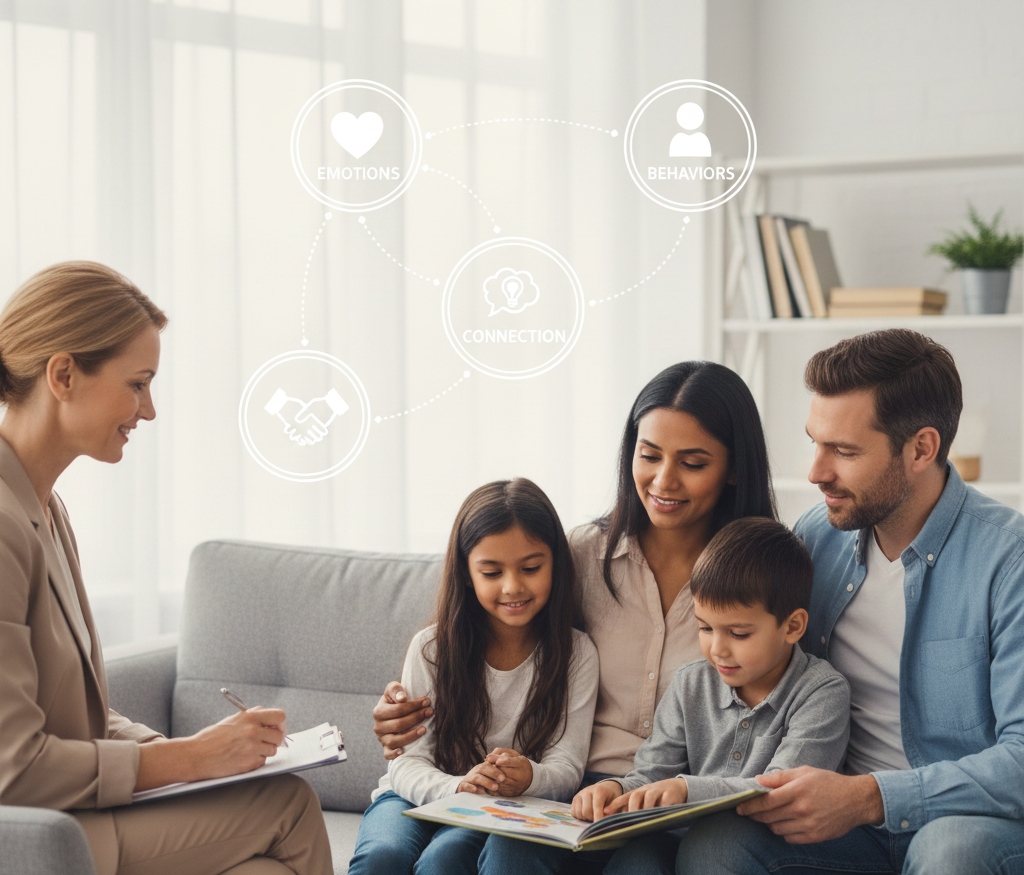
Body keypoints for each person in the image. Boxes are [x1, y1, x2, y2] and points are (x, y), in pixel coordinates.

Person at [372, 361, 776, 872]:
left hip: (680, 803)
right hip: (572, 794)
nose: (663, 480)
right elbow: (485, 629)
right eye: (648, 455)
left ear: (734, 468)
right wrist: (405, 708)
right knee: (501, 857)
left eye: (693, 463)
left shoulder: (762, 577)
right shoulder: (584, 555)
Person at [0, 261, 332, 875]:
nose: (148, 410)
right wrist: (191, 762)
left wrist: (201, 752)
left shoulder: (44, 507)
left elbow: (81, 717)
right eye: (138, 383)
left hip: (80, 813)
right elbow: (15, 766)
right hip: (48, 832)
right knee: (285, 804)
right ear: (64, 374)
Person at [675, 328, 1024, 874]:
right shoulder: (816, 538)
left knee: (950, 852)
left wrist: (870, 796)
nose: (816, 473)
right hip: (842, 827)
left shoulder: (1009, 560)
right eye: (816, 442)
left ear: (921, 448)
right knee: (717, 845)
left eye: (843, 451)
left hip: (967, 821)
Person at [346, 478, 600, 875]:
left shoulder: (577, 653)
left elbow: (568, 766)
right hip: (413, 795)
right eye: (492, 572)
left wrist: (529, 775)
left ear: (556, 564)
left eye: (531, 568)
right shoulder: (432, 648)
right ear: (467, 573)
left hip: (503, 807)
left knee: (443, 861)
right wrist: (458, 786)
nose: (513, 586)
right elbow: (406, 763)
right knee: (383, 857)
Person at [572, 517, 849, 874]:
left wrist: (688, 790)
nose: (717, 649)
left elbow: (785, 792)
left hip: (762, 845)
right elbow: (652, 774)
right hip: (677, 837)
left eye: (738, 633)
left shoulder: (822, 692)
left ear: (792, 626)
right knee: (633, 862)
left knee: (712, 851)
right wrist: (615, 788)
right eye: (705, 627)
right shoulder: (691, 683)